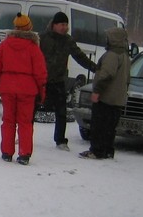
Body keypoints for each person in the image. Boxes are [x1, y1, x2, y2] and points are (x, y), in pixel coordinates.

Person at [0, 13, 47, 165]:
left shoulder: (5, 45)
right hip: (27, 89)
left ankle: (7, 152)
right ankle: (24, 154)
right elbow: (40, 72)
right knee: (25, 122)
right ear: (29, 28)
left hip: (7, 87)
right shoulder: (33, 47)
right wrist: (42, 90)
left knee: (8, 120)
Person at [39, 11, 98, 152]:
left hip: (58, 81)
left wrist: (95, 68)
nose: (64, 27)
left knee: (61, 112)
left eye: (66, 25)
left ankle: (60, 140)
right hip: (41, 80)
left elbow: (80, 57)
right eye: (62, 24)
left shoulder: (68, 40)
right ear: (54, 25)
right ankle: (23, 135)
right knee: (30, 110)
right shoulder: (43, 38)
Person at [80, 27, 130, 160]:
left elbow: (107, 74)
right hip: (118, 99)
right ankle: (108, 150)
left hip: (106, 97)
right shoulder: (125, 55)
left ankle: (97, 150)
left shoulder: (112, 55)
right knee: (110, 127)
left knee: (99, 125)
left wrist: (97, 91)